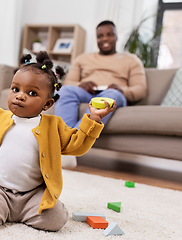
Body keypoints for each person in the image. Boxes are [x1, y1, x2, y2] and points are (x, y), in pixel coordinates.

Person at [0, 51, 116, 231]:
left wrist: (93, 119)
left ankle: (17, 212)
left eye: (31, 93)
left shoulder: (54, 126)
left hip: (32, 194)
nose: (20, 96)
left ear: (47, 104)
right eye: (15, 89)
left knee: (56, 220)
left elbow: (77, 144)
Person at [54, 20, 147, 168]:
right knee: (65, 91)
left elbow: (141, 89)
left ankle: (70, 150)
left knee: (110, 94)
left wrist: (121, 90)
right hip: (86, 93)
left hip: (113, 94)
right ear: (96, 39)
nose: (104, 39)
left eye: (109, 34)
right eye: (100, 36)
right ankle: (63, 144)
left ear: (116, 37)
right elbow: (68, 83)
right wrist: (81, 85)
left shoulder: (131, 60)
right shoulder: (83, 58)